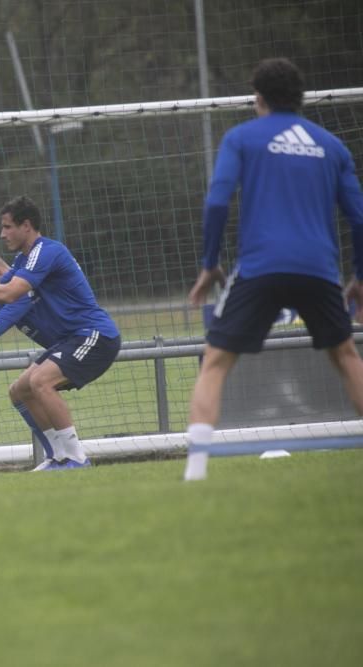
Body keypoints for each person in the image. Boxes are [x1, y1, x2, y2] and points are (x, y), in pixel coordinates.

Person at [184, 57, 363, 480]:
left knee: (215, 362)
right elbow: (358, 216)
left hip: (260, 267)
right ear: (299, 99)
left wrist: (210, 264)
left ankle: (195, 470)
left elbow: (216, 201)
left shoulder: (242, 138)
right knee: (346, 354)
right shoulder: (332, 146)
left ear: (258, 97)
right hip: (319, 269)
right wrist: (360, 274)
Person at [0, 197, 121, 470]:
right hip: (71, 340)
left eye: (7, 227)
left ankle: (76, 457)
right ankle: (57, 457)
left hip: (95, 335)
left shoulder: (45, 252)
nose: (2, 234)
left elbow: (5, 300)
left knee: (40, 381)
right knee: (20, 390)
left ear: (26, 226)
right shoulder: (22, 261)